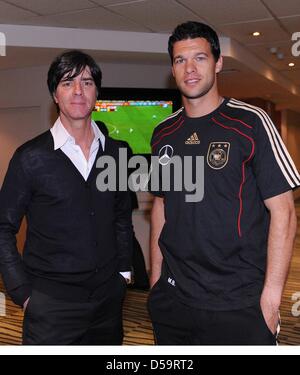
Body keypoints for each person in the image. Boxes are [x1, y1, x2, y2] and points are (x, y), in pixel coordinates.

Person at [147, 21, 300, 345]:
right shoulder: (163, 133)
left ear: (218, 63)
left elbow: (284, 213)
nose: (189, 68)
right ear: (172, 68)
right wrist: (156, 279)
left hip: (239, 302)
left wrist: (271, 300)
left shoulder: (251, 122)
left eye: (199, 58)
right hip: (174, 300)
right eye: (180, 60)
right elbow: (161, 205)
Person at [0, 50, 133, 345]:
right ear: (55, 95)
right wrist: (22, 292)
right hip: (50, 306)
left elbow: (122, 216)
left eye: (86, 82)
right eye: (67, 82)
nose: (78, 91)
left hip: (108, 304)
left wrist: (124, 272)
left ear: (96, 92)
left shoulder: (118, 153)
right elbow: (3, 228)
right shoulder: (30, 157)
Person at [95, 120, 149, 290]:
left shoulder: (101, 149)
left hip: (111, 201)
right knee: (128, 238)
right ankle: (139, 278)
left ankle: (133, 278)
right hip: (126, 198)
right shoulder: (122, 146)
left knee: (121, 238)